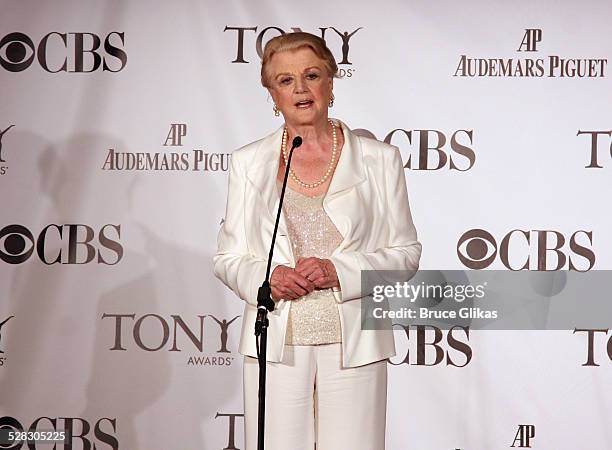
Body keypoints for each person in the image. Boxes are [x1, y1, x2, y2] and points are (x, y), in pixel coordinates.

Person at [213, 31, 421, 450]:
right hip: (276, 343)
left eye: (311, 75)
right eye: (285, 80)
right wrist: (267, 277)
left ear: (331, 81)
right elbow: (228, 258)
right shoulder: (249, 162)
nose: (301, 89)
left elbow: (406, 254)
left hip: (355, 345)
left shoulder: (380, 159)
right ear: (272, 94)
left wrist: (337, 271)